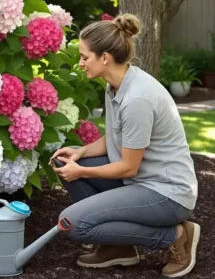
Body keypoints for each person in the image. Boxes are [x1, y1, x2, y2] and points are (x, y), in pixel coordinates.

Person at [49, 14, 199, 278]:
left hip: (167, 193)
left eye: (85, 57)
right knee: (66, 165)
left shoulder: (137, 99)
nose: (80, 62)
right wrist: (80, 153)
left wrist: (82, 171)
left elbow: (129, 167)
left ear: (104, 57)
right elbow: (119, 138)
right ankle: (118, 248)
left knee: (73, 224)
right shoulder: (115, 85)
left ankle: (175, 236)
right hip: (141, 182)